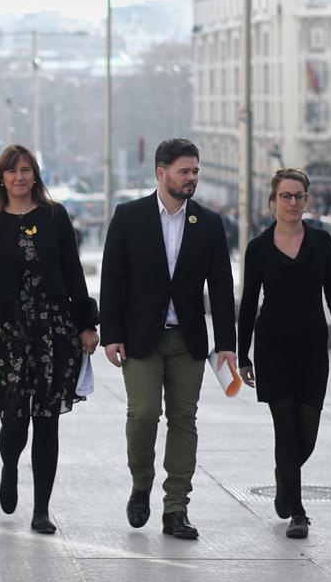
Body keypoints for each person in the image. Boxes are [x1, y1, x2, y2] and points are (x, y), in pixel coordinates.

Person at [100, 138, 237, 541]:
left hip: (189, 341)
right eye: (184, 171)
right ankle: (141, 482)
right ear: (161, 173)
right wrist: (112, 335)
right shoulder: (129, 216)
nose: (192, 178)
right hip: (142, 338)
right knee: (142, 414)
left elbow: (223, 286)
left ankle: (176, 507)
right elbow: (112, 279)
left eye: (196, 171)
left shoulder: (209, 223)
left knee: (184, 421)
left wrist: (226, 342)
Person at [0, 144, 99, 535]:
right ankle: (9, 466)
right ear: (1, 178)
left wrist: (85, 324)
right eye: (12, 171)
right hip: (5, 332)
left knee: (47, 420)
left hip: (52, 329)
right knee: (15, 421)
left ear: (35, 175)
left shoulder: (55, 217)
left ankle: (41, 509)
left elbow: (73, 272)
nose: (20, 177)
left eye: (26, 170)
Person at [238, 168, 331, 540]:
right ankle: (298, 513)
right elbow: (247, 305)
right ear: (272, 201)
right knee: (285, 429)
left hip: (311, 347)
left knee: (306, 435)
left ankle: (283, 476)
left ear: (306, 201)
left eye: (298, 196)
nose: (292, 203)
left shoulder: (321, 242)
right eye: (285, 196)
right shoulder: (258, 248)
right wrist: (243, 355)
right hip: (273, 347)